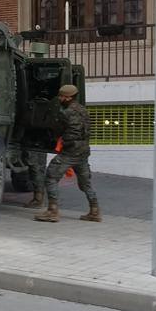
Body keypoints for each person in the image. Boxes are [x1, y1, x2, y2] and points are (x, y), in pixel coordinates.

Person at [34, 84, 100, 223]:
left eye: (62, 96)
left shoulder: (65, 113)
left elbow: (60, 130)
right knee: (85, 183)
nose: (60, 98)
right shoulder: (83, 110)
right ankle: (94, 211)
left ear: (69, 97)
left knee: (51, 177)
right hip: (83, 152)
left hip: (70, 152)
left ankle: (52, 211)